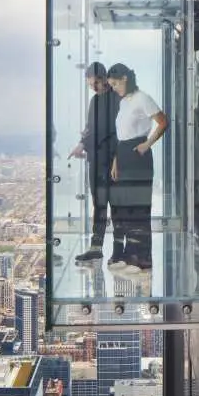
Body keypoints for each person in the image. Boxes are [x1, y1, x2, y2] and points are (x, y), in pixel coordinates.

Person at [106, 63, 169, 274]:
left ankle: (142, 259)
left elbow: (162, 122)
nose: (113, 87)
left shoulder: (143, 97)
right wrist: (116, 161)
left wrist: (147, 144)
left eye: (114, 83)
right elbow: (121, 135)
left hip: (138, 154)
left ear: (124, 78)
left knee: (139, 208)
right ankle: (128, 254)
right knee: (125, 207)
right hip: (123, 154)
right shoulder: (124, 102)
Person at [68, 62, 121, 263]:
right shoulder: (94, 101)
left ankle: (118, 251)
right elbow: (91, 128)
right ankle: (96, 247)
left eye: (95, 84)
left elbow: (115, 132)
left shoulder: (118, 99)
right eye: (91, 85)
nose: (94, 88)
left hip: (113, 160)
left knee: (115, 204)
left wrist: (87, 143)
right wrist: (82, 143)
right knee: (98, 204)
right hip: (96, 159)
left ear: (104, 78)